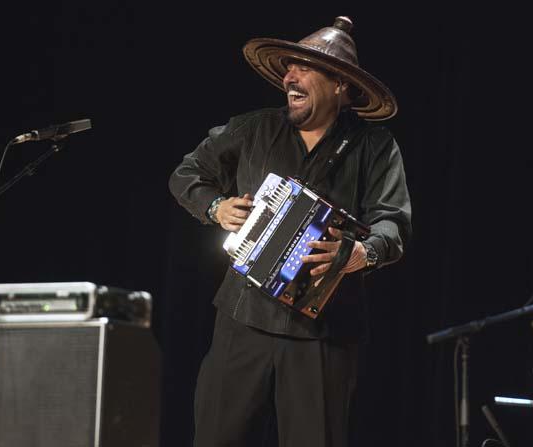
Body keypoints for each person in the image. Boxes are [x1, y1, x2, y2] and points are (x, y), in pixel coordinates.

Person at [168, 16, 411, 447]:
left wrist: (362, 252)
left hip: (325, 332)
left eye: (304, 68)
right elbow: (188, 174)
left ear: (340, 84)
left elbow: (392, 221)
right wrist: (215, 206)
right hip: (243, 317)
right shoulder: (254, 128)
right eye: (288, 67)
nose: (289, 75)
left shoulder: (374, 146)